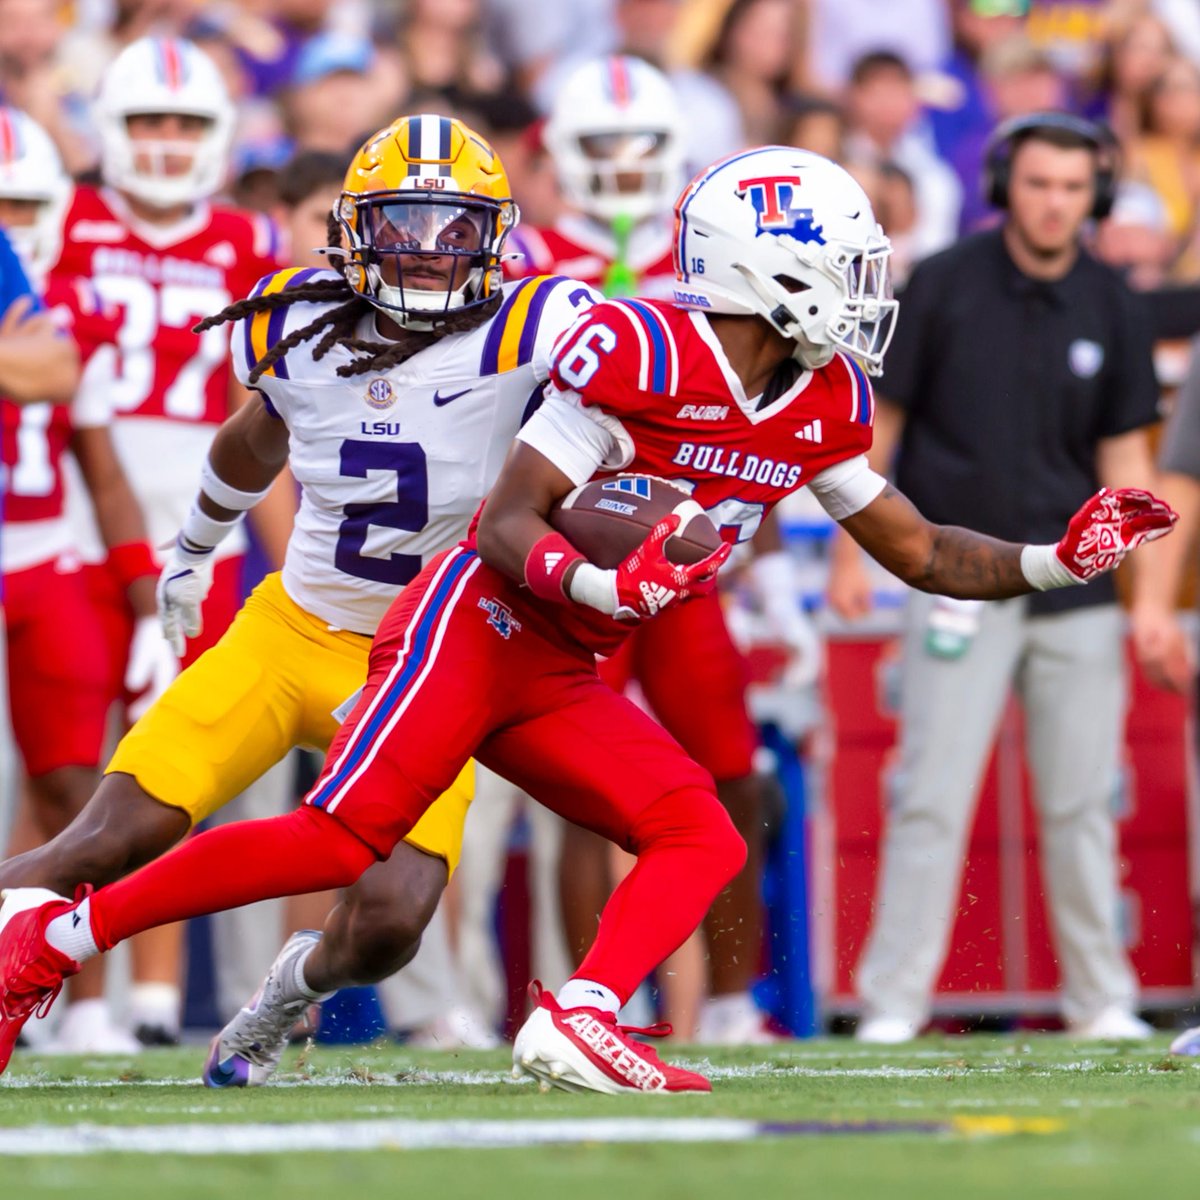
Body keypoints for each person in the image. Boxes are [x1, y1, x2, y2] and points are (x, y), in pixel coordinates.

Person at [0, 145, 1175, 1094]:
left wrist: (1055, 557)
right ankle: (46, 944)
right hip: (470, 625)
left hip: (559, 663)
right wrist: (606, 588)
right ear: (769, 271)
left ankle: (580, 1013)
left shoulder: (821, 397)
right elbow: (508, 522)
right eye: (849, 267)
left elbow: (919, 548)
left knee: (701, 830)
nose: (873, 293)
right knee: (340, 844)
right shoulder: (640, 346)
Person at [0, 111, 600, 1081]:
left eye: (456, 230)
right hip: (293, 631)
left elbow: (640, 385)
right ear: (357, 229)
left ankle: (285, 993)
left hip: (424, 669)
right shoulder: (295, 321)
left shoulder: (535, 326)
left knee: (391, 924)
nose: (431, 254)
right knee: (108, 837)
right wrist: (192, 547)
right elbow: (253, 441)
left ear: (496, 236)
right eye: (404, 225)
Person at [826, 113, 1168, 1044]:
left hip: (1081, 593)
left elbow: (1126, 460)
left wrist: (1148, 600)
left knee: (1082, 801)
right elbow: (875, 432)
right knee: (930, 794)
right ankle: (894, 1003)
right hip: (955, 581)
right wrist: (849, 556)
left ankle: (1101, 1000)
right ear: (1006, 186)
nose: (1055, 202)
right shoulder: (941, 284)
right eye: (1039, 183)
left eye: (1071, 186)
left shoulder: (1115, 303)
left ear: (1092, 195)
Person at [512, 55, 798, 1043]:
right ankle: (598, 994)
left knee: (732, 772)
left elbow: (762, 414)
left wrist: (753, 530)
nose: (626, 165)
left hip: (686, 567)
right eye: (602, 146)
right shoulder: (528, 257)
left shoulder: (710, 261)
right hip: (573, 555)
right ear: (561, 152)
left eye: (644, 146)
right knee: (583, 797)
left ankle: (727, 999)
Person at [52, 35, 292, 1044]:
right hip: (73, 508)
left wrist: (286, 558)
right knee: (66, 765)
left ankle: (155, 999)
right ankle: (69, 989)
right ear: (107, 127)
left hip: (205, 516)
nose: (162, 143)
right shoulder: (62, 217)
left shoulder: (246, 240)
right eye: (146, 121)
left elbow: (268, 410)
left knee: (175, 760)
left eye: (184, 124)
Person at [0, 105, 170, 1053]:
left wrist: (148, 602)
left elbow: (58, 378)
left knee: (74, 785)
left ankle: (81, 1001)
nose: (10, 219)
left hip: (40, 553)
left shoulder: (59, 296)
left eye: (24, 202)